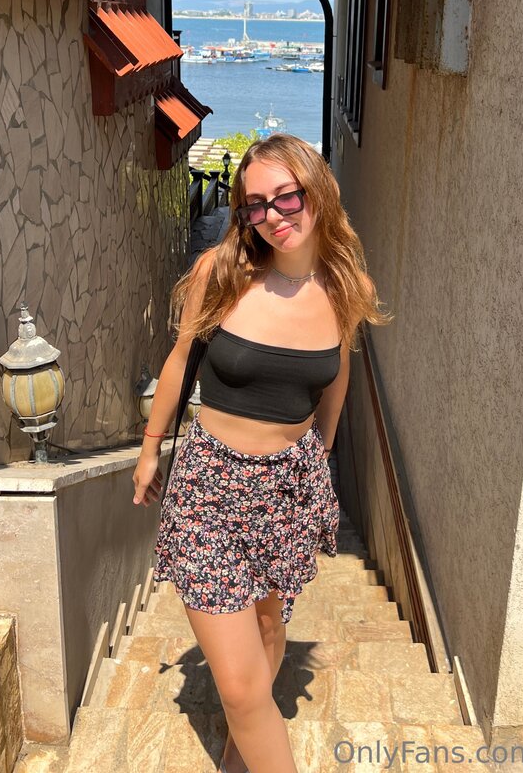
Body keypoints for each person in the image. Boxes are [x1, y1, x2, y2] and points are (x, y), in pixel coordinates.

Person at [132, 132, 389, 773]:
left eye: (286, 197)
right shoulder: (222, 274)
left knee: (270, 626)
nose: (272, 216)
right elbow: (181, 358)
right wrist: (150, 448)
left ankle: (244, 739)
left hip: (289, 489)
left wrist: (320, 458)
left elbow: (336, 377)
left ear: (317, 192)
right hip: (209, 487)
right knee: (242, 688)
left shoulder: (345, 287)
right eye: (255, 204)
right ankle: (252, 726)